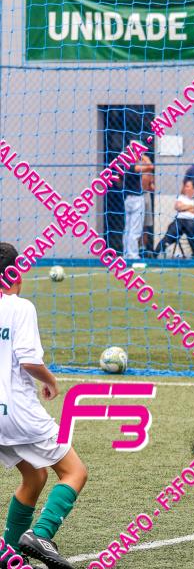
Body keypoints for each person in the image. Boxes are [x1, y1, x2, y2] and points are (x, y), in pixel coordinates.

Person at [0, 242, 89, 569]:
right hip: (17, 413)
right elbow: (28, 360)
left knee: (35, 475)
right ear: (16, 274)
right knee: (75, 471)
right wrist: (50, 381)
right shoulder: (20, 307)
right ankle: (41, 534)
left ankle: (8, 553)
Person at [153, 180, 194, 258]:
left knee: (190, 226)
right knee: (172, 231)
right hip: (180, 221)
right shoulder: (181, 197)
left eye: (188, 186)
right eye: (185, 186)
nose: (185, 188)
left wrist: (184, 208)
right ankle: (156, 252)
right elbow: (178, 207)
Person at [122, 150, 145, 260]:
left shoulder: (123, 166)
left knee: (128, 228)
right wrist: (143, 157)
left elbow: (119, 181)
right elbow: (150, 166)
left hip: (128, 199)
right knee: (135, 229)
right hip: (136, 199)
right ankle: (133, 255)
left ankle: (126, 254)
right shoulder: (132, 166)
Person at [139, 152, 156, 256]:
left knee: (145, 224)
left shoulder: (147, 167)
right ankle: (134, 247)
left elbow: (152, 186)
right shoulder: (133, 165)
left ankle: (143, 248)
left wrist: (151, 185)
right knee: (135, 225)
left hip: (146, 195)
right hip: (135, 195)